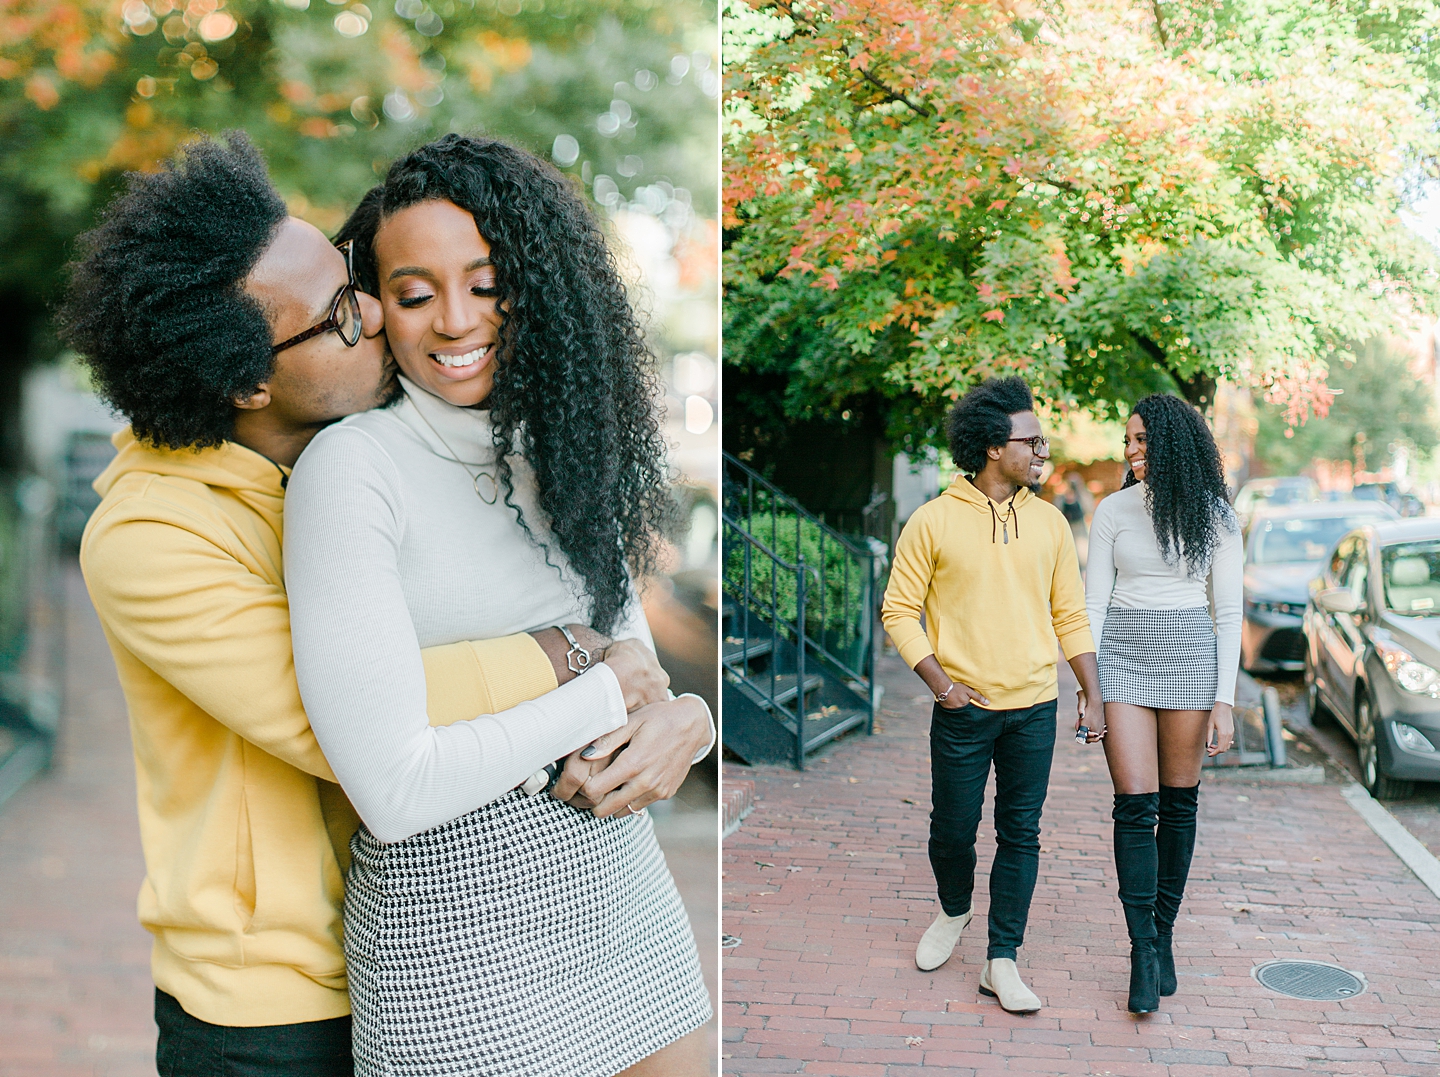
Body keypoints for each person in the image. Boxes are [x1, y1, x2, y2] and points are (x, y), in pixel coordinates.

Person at [57, 132, 668, 1075]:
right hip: (268, 1004)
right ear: (247, 380)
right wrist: (573, 657)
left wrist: (674, 707)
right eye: (345, 313)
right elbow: (345, 723)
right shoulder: (149, 538)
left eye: (358, 281)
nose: (382, 317)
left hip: (425, 954)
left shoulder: (359, 457)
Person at [282, 135, 714, 1077]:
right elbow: (394, 790)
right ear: (376, 309)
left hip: (625, 912)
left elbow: (640, 670)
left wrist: (693, 719)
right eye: (414, 292)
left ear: (540, 285)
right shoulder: (355, 471)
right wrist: (601, 697)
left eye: (485, 283)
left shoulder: (563, 448)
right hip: (452, 950)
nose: (453, 321)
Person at [881, 376, 1103, 1014]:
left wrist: (1089, 690)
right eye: (1029, 440)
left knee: (1021, 832)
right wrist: (943, 687)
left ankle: (1000, 959)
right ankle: (953, 909)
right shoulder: (933, 521)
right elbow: (899, 611)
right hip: (964, 709)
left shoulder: (1051, 523)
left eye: (1041, 439)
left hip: (1034, 706)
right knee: (952, 830)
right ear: (989, 448)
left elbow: (1070, 614)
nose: (1041, 449)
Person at [1083, 393, 1240, 1014]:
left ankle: (1164, 933)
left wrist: (1223, 702)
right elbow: (1092, 604)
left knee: (1178, 804)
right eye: (1128, 441)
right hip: (1122, 650)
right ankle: (1141, 948)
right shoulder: (1112, 510)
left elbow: (1227, 613)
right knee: (1133, 805)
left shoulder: (1215, 516)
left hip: (1189, 654)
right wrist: (1089, 690)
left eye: (1143, 440)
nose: (1131, 451)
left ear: (1174, 441)